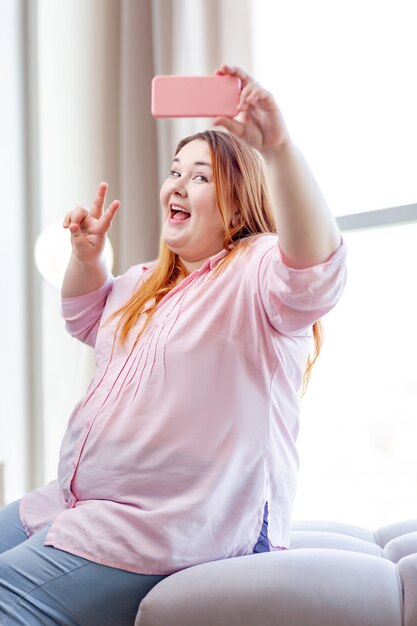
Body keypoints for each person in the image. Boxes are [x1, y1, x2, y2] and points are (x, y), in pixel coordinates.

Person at [0, 65, 347, 625]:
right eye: (174, 171)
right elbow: (85, 317)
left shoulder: (256, 267)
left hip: (165, 524)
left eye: (201, 177)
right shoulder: (144, 282)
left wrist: (278, 148)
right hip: (71, 504)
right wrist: (88, 259)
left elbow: (316, 269)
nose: (177, 185)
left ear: (238, 204)